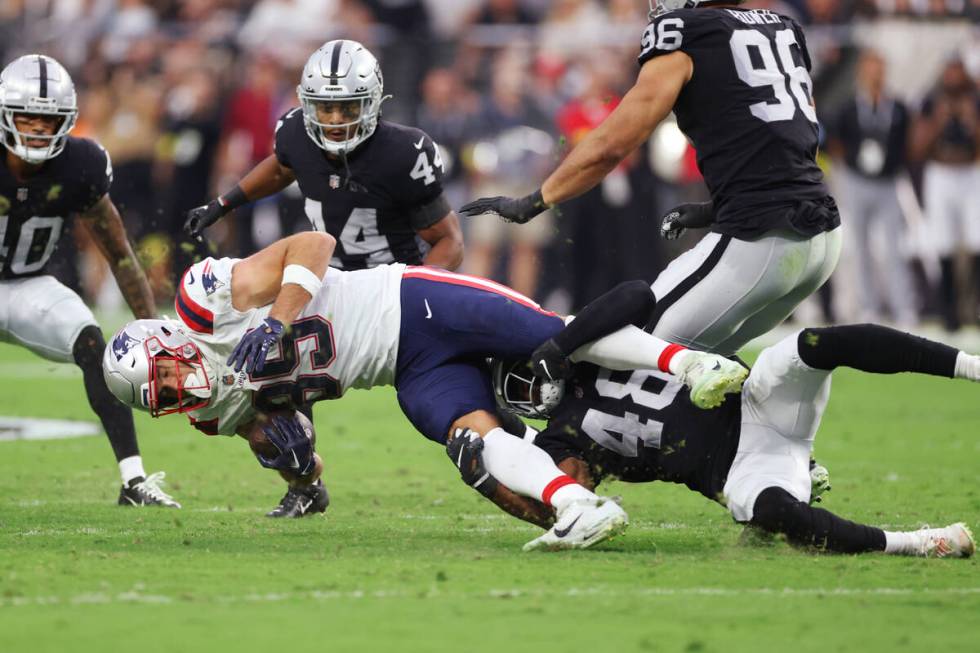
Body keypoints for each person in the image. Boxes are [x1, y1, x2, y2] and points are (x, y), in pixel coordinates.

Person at [101, 230, 748, 549]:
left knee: (556, 335)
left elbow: (315, 242)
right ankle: (579, 503)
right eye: (157, 398)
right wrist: (299, 476)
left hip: (412, 301)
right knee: (468, 436)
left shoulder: (207, 300)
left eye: (161, 375)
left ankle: (687, 363)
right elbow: (282, 440)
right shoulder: (212, 411)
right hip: (404, 371)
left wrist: (276, 322)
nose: (172, 390)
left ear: (164, 339)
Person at [460, 0, 842, 357]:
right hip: (821, 236)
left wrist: (538, 199)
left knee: (637, 346)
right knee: (704, 361)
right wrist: (716, 207)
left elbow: (614, 142)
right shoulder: (784, 28)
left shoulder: (686, 31)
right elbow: (794, 139)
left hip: (761, 236)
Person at [485, 318, 980, 557]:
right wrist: (490, 464)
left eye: (526, 369)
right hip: (737, 472)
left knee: (817, 344)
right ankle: (918, 543)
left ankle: (970, 366)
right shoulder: (558, 440)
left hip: (755, 400)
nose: (530, 384)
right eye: (515, 390)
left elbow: (635, 295)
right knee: (775, 514)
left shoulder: (591, 343)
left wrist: (567, 340)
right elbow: (564, 495)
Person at [0, 54, 178, 507]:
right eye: (27, 116)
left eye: (49, 118)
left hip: (27, 286)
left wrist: (154, 332)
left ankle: (134, 481)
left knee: (94, 345)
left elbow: (119, 255)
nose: (38, 129)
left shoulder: (81, 165)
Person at [183, 39, 464, 272]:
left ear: (373, 102)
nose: (336, 119)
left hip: (392, 284)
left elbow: (450, 243)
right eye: (325, 107)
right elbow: (281, 169)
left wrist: (413, 293)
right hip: (328, 282)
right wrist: (222, 204)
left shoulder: (404, 152)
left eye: (349, 107)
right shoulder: (295, 132)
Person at [827, 49, 917, 327]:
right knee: (861, 247)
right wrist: (849, 165)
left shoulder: (897, 107)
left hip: (888, 181)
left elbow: (906, 142)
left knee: (894, 246)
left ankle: (903, 307)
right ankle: (868, 306)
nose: (875, 75)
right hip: (857, 180)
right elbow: (835, 140)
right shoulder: (850, 107)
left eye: (879, 69)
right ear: (861, 73)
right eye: (870, 69)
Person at [909, 58, 980, 331]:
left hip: (970, 170)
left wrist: (970, 120)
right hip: (940, 171)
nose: (953, 78)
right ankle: (948, 310)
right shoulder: (931, 101)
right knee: (943, 241)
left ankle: (971, 305)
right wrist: (939, 121)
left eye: (957, 72)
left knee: (977, 239)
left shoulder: (974, 100)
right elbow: (916, 148)